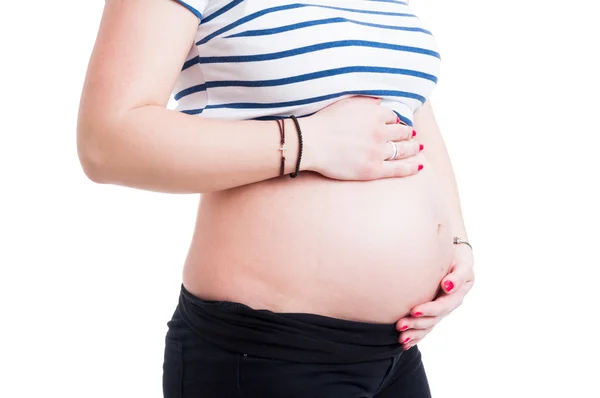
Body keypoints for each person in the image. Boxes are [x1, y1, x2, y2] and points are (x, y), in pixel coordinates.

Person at [77, 0, 475, 396]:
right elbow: (106, 141)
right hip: (268, 352)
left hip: (397, 351)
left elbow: (407, 106)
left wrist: (456, 239)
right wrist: (308, 142)